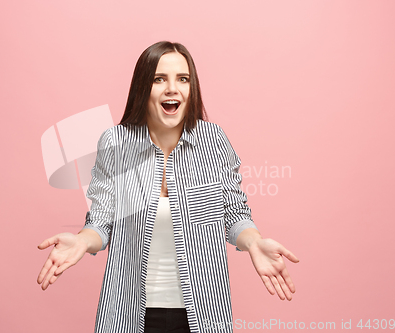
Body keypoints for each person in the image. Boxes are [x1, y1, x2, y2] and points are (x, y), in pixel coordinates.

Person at [37, 41, 299, 333]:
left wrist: (254, 243)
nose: (172, 88)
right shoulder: (116, 144)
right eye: (159, 79)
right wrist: (82, 241)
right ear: (142, 87)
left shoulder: (213, 141)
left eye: (183, 79)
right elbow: (101, 222)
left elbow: (234, 214)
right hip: (129, 312)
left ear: (192, 88)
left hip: (203, 313)